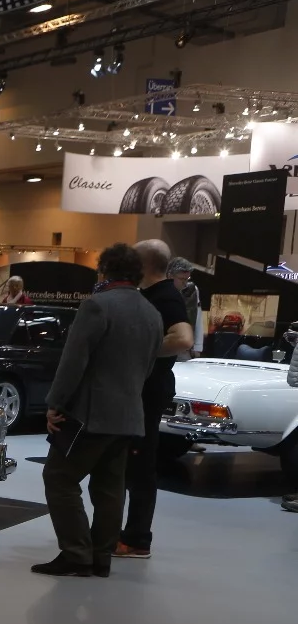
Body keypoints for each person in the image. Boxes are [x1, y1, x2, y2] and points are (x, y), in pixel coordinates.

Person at [34, 243, 164, 577]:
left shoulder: (97, 306)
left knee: (59, 478)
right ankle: (101, 556)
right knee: (110, 488)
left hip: (89, 415)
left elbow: (73, 361)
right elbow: (149, 368)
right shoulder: (152, 314)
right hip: (129, 416)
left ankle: (77, 553)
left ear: (105, 270)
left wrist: (55, 404)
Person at [115, 240, 195, 560]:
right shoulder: (150, 295)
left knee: (140, 465)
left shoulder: (165, 296)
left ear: (144, 264)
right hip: (140, 390)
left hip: (148, 392)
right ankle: (125, 533)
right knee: (129, 463)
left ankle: (137, 538)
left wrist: (140, 352)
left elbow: (183, 339)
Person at [167, 257, 200, 360]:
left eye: (187, 279)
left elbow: (197, 316)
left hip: (184, 345)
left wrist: (197, 346)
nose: (185, 283)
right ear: (170, 276)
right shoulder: (161, 290)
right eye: (182, 279)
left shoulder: (192, 290)